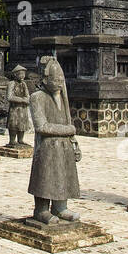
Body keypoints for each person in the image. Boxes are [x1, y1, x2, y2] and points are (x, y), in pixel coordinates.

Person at [27, 56, 81, 223]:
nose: (59, 82)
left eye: (61, 79)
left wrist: (75, 144)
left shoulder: (62, 97)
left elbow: (67, 121)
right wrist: (68, 130)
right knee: (46, 178)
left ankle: (60, 207)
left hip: (64, 147)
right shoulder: (37, 97)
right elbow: (41, 126)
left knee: (63, 175)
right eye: (55, 79)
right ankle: (41, 210)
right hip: (47, 147)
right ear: (45, 79)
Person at [5, 64, 31, 147]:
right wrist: (21, 100)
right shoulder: (11, 84)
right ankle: (12, 140)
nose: (22, 75)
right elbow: (9, 97)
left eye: (23, 74)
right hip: (15, 108)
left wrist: (26, 100)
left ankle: (21, 140)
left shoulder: (24, 84)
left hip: (23, 108)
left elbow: (28, 96)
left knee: (22, 124)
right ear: (15, 74)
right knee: (14, 124)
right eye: (20, 74)